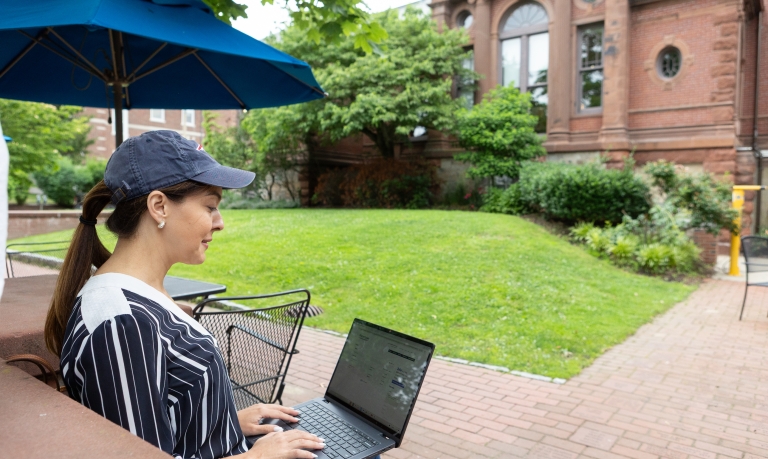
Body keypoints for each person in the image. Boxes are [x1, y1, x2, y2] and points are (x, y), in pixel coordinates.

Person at [44, 130, 325, 459]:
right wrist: (257, 457)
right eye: (210, 206)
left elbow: (162, 415)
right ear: (159, 206)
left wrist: (223, 423)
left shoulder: (138, 296)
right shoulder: (123, 325)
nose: (219, 223)